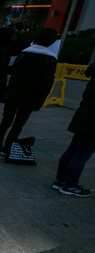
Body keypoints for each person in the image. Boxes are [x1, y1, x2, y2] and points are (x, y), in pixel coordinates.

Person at [0, 28, 58, 158]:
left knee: (6, 121)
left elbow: (11, 70)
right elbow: (46, 83)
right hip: (30, 97)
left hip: (13, 92)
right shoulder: (50, 60)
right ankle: (6, 149)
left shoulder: (24, 54)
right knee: (18, 124)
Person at [52, 61, 95, 197]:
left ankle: (61, 180)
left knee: (73, 149)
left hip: (84, 113)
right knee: (82, 154)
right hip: (93, 120)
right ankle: (70, 185)